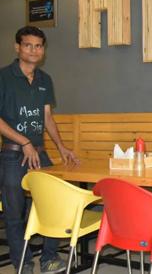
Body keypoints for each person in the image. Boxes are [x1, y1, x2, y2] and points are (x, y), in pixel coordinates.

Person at [0, 26, 80, 274]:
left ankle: (49, 259)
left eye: (38, 46)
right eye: (28, 45)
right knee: (15, 214)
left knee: (52, 205)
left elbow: (47, 118)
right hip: (13, 155)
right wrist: (23, 142)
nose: (34, 50)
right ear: (18, 47)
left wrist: (61, 147)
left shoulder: (45, 79)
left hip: (40, 153)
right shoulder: (3, 77)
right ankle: (22, 264)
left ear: (43, 50)